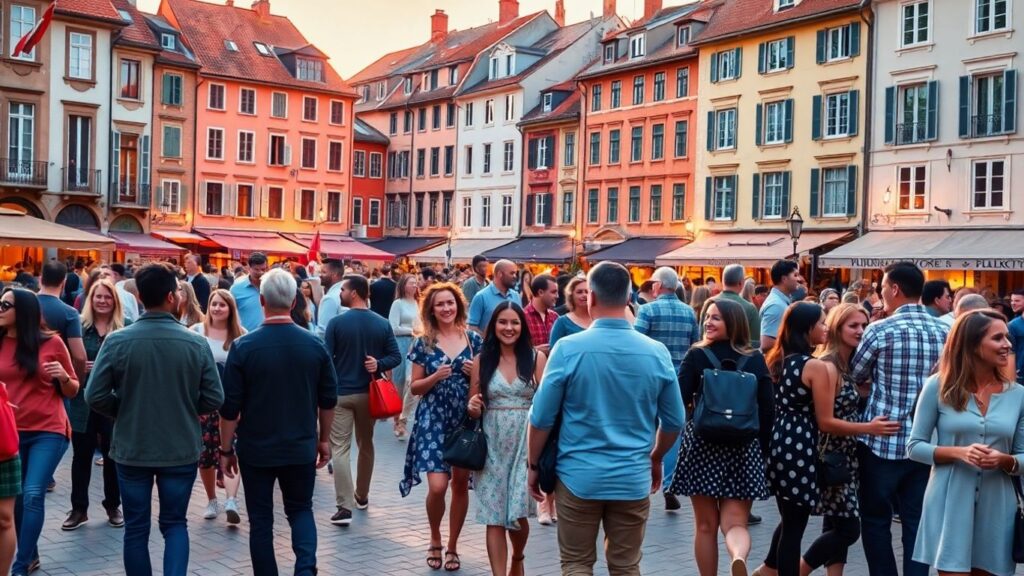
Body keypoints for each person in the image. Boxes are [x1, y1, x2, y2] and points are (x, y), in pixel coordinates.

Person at [527, 262, 684, 575]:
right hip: (632, 477)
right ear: (628, 298)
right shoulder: (656, 352)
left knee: (576, 563)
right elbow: (675, 420)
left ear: (591, 298)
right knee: (626, 566)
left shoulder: (568, 349)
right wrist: (655, 457)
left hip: (577, 476)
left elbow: (541, 417)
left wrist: (533, 466)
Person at [86, 263, 223, 576]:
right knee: (175, 523)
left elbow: (94, 394)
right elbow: (215, 397)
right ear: (172, 297)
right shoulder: (195, 343)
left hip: (133, 445)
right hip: (179, 447)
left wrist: (121, 408)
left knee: (136, 527)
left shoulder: (118, 341)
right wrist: (187, 407)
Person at [219, 268, 338, 576]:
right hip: (299, 445)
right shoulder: (314, 345)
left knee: (260, 520)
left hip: (256, 448)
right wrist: (324, 440)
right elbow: (328, 400)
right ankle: (305, 570)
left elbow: (230, 407)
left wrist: (225, 448)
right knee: (300, 510)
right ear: (295, 299)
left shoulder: (244, 347)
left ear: (261, 300)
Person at [849, 262, 948, 576]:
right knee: (916, 521)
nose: (880, 293)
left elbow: (855, 374)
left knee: (876, 520)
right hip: (926, 442)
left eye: (882, 288)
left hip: (882, 440)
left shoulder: (880, 330)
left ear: (894, 289)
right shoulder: (945, 331)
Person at [908, 309, 1024, 576]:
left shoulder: (1018, 395)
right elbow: (915, 447)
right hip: (949, 500)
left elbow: (1022, 455)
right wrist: (959, 452)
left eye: (1007, 337)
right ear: (971, 343)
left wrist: (1005, 460)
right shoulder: (937, 386)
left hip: (998, 505)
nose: (1007, 344)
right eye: (997, 338)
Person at [670, 298, 773, 576]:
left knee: (705, 526)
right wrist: (761, 452)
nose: (708, 322)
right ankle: (738, 556)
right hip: (743, 447)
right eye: (707, 316)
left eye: (716, 317)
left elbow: (677, 400)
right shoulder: (755, 359)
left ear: (733, 321)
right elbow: (767, 410)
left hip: (703, 445)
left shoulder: (696, 356)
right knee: (736, 523)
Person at [802, 303, 898, 576]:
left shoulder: (849, 363)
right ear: (836, 327)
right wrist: (869, 428)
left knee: (836, 522)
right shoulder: (828, 364)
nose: (861, 331)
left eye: (864, 325)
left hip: (847, 454)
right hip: (833, 455)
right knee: (848, 529)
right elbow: (825, 421)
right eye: (853, 325)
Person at [400, 283, 483, 572]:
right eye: (440, 304)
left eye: (450, 303)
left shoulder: (474, 340)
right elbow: (415, 388)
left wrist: (477, 374)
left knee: (460, 484)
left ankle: (452, 546)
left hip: (464, 418)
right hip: (433, 418)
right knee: (438, 485)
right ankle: (434, 536)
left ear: (458, 305)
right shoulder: (423, 343)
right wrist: (436, 376)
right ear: (431, 310)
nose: (446, 308)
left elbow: (486, 383)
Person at [0, 287, 79, 576]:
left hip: (48, 429)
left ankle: (20, 566)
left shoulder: (52, 343)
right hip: (9, 433)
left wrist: (64, 377)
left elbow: (72, 390)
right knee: (17, 500)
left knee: (33, 493)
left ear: (23, 311)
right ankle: (30, 553)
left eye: (5, 305)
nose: (0, 309)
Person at [467, 302, 546, 576]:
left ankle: (519, 557)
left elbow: (545, 404)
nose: (509, 328)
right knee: (494, 518)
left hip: (526, 443)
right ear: (494, 326)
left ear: (522, 326)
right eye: (502, 322)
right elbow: (472, 402)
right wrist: (473, 407)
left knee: (519, 513)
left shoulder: (536, 358)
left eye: (514, 322)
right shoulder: (482, 360)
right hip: (492, 443)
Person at [756, 303, 831, 576]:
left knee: (789, 520)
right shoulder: (813, 366)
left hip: (779, 441)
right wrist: (868, 427)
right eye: (822, 323)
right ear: (806, 329)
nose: (826, 327)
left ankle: (766, 570)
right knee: (794, 529)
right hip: (801, 443)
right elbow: (826, 420)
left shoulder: (777, 360)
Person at [325, 274, 401, 526]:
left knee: (340, 447)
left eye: (343, 289)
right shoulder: (381, 323)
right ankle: (362, 495)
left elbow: (326, 359)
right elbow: (395, 356)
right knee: (366, 443)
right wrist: (378, 363)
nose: (340, 293)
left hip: (341, 392)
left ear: (354, 292)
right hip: (369, 393)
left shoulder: (336, 323)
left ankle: (343, 505)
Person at [634, 266, 700, 513]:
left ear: (658, 286)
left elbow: (637, 342)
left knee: (646, 427)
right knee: (673, 429)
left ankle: (643, 481)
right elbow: (696, 344)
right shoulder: (689, 312)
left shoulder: (648, 310)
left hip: (651, 375)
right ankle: (669, 483)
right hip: (679, 377)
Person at [64, 279, 126, 532]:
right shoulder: (79, 327)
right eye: (98, 297)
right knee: (81, 456)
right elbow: (65, 359)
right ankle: (79, 509)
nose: (102, 301)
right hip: (82, 401)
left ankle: (113, 505)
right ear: (91, 299)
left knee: (113, 455)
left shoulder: (124, 328)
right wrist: (80, 365)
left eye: (107, 297)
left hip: (113, 402)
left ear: (115, 301)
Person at [189, 290, 245, 523]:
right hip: (203, 404)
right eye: (214, 304)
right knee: (206, 453)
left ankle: (231, 499)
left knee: (231, 449)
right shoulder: (195, 333)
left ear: (231, 309)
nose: (217, 308)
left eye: (223, 305)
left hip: (232, 404)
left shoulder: (241, 336)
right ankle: (212, 499)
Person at [37, 261, 88, 383]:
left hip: (21, 374)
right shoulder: (69, 313)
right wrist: (76, 382)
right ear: (63, 282)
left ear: (40, 279)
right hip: (55, 379)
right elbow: (80, 357)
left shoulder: (21, 306)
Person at [390, 274, 422, 440]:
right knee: (400, 382)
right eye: (412, 283)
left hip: (416, 344)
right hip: (402, 344)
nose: (415, 285)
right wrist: (411, 331)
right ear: (403, 285)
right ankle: (397, 420)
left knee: (412, 382)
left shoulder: (417, 303)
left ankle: (402, 419)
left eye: (416, 283)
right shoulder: (398, 303)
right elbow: (393, 327)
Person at [700, 264, 761, 348]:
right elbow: (755, 343)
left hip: (709, 355)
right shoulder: (750, 308)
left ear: (723, 281)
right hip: (739, 357)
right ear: (741, 283)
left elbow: (701, 335)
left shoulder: (709, 303)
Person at [759, 260, 803, 351]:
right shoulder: (776, 305)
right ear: (784, 279)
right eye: (795, 275)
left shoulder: (779, 302)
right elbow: (766, 343)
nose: (799, 279)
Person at [468, 259, 519, 333]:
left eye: (515, 273)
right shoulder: (481, 297)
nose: (515, 276)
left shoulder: (516, 296)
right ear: (500, 274)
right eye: (512, 273)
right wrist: (486, 340)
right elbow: (472, 327)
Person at [548, 277, 591, 348]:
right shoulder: (562, 322)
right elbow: (553, 350)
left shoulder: (600, 320)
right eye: (579, 292)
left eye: (587, 292)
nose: (584, 295)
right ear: (571, 296)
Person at [230, 253, 268, 332]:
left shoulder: (272, 286)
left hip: (268, 336)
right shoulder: (237, 288)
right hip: (245, 337)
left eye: (263, 269)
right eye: (256, 269)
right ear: (249, 268)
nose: (261, 272)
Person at [523, 274, 559, 355]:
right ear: (540, 292)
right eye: (553, 292)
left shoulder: (555, 316)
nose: (557, 296)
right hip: (531, 366)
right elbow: (513, 349)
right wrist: (535, 350)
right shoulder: (522, 317)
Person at [316, 259, 348, 338]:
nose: (320, 275)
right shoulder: (347, 291)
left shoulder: (330, 298)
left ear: (335, 274)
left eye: (324, 272)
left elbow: (323, 332)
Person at [1010, 289, 1024, 383]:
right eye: (1011, 300)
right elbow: (1009, 351)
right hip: (1020, 375)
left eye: (1017, 300)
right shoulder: (1012, 325)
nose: (1013, 303)